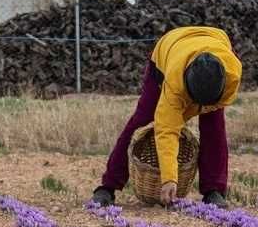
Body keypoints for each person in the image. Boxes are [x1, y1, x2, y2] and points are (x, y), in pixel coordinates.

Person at [92, 26, 242, 208]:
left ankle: (214, 190)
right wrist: (169, 178)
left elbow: (218, 104)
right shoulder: (173, 81)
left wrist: (197, 109)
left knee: (214, 127)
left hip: (214, 41)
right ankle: (108, 186)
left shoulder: (231, 74)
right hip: (167, 52)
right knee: (142, 119)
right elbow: (167, 129)